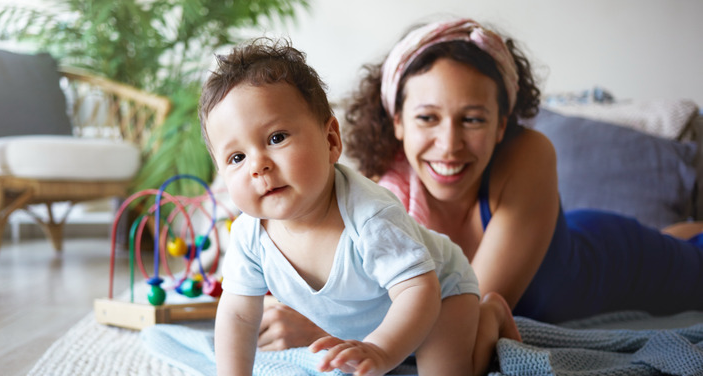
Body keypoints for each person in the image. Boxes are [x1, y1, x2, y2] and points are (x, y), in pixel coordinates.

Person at [257, 17, 703, 351]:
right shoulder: (377, 199)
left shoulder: (530, 154)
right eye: (427, 118)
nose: (449, 145)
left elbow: (462, 317)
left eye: (472, 119)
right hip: (571, 235)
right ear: (397, 121)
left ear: (501, 122)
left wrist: (326, 333)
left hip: (615, 260)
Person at [184, 37, 521, 376]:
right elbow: (238, 314)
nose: (258, 165)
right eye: (236, 157)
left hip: (441, 290)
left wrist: (381, 350)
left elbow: (419, 291)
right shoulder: (248, 235)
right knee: (390, 359)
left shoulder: (370, 215)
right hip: (376, 312)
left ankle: (488, 315)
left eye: (276, 138)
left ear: (331, 141)